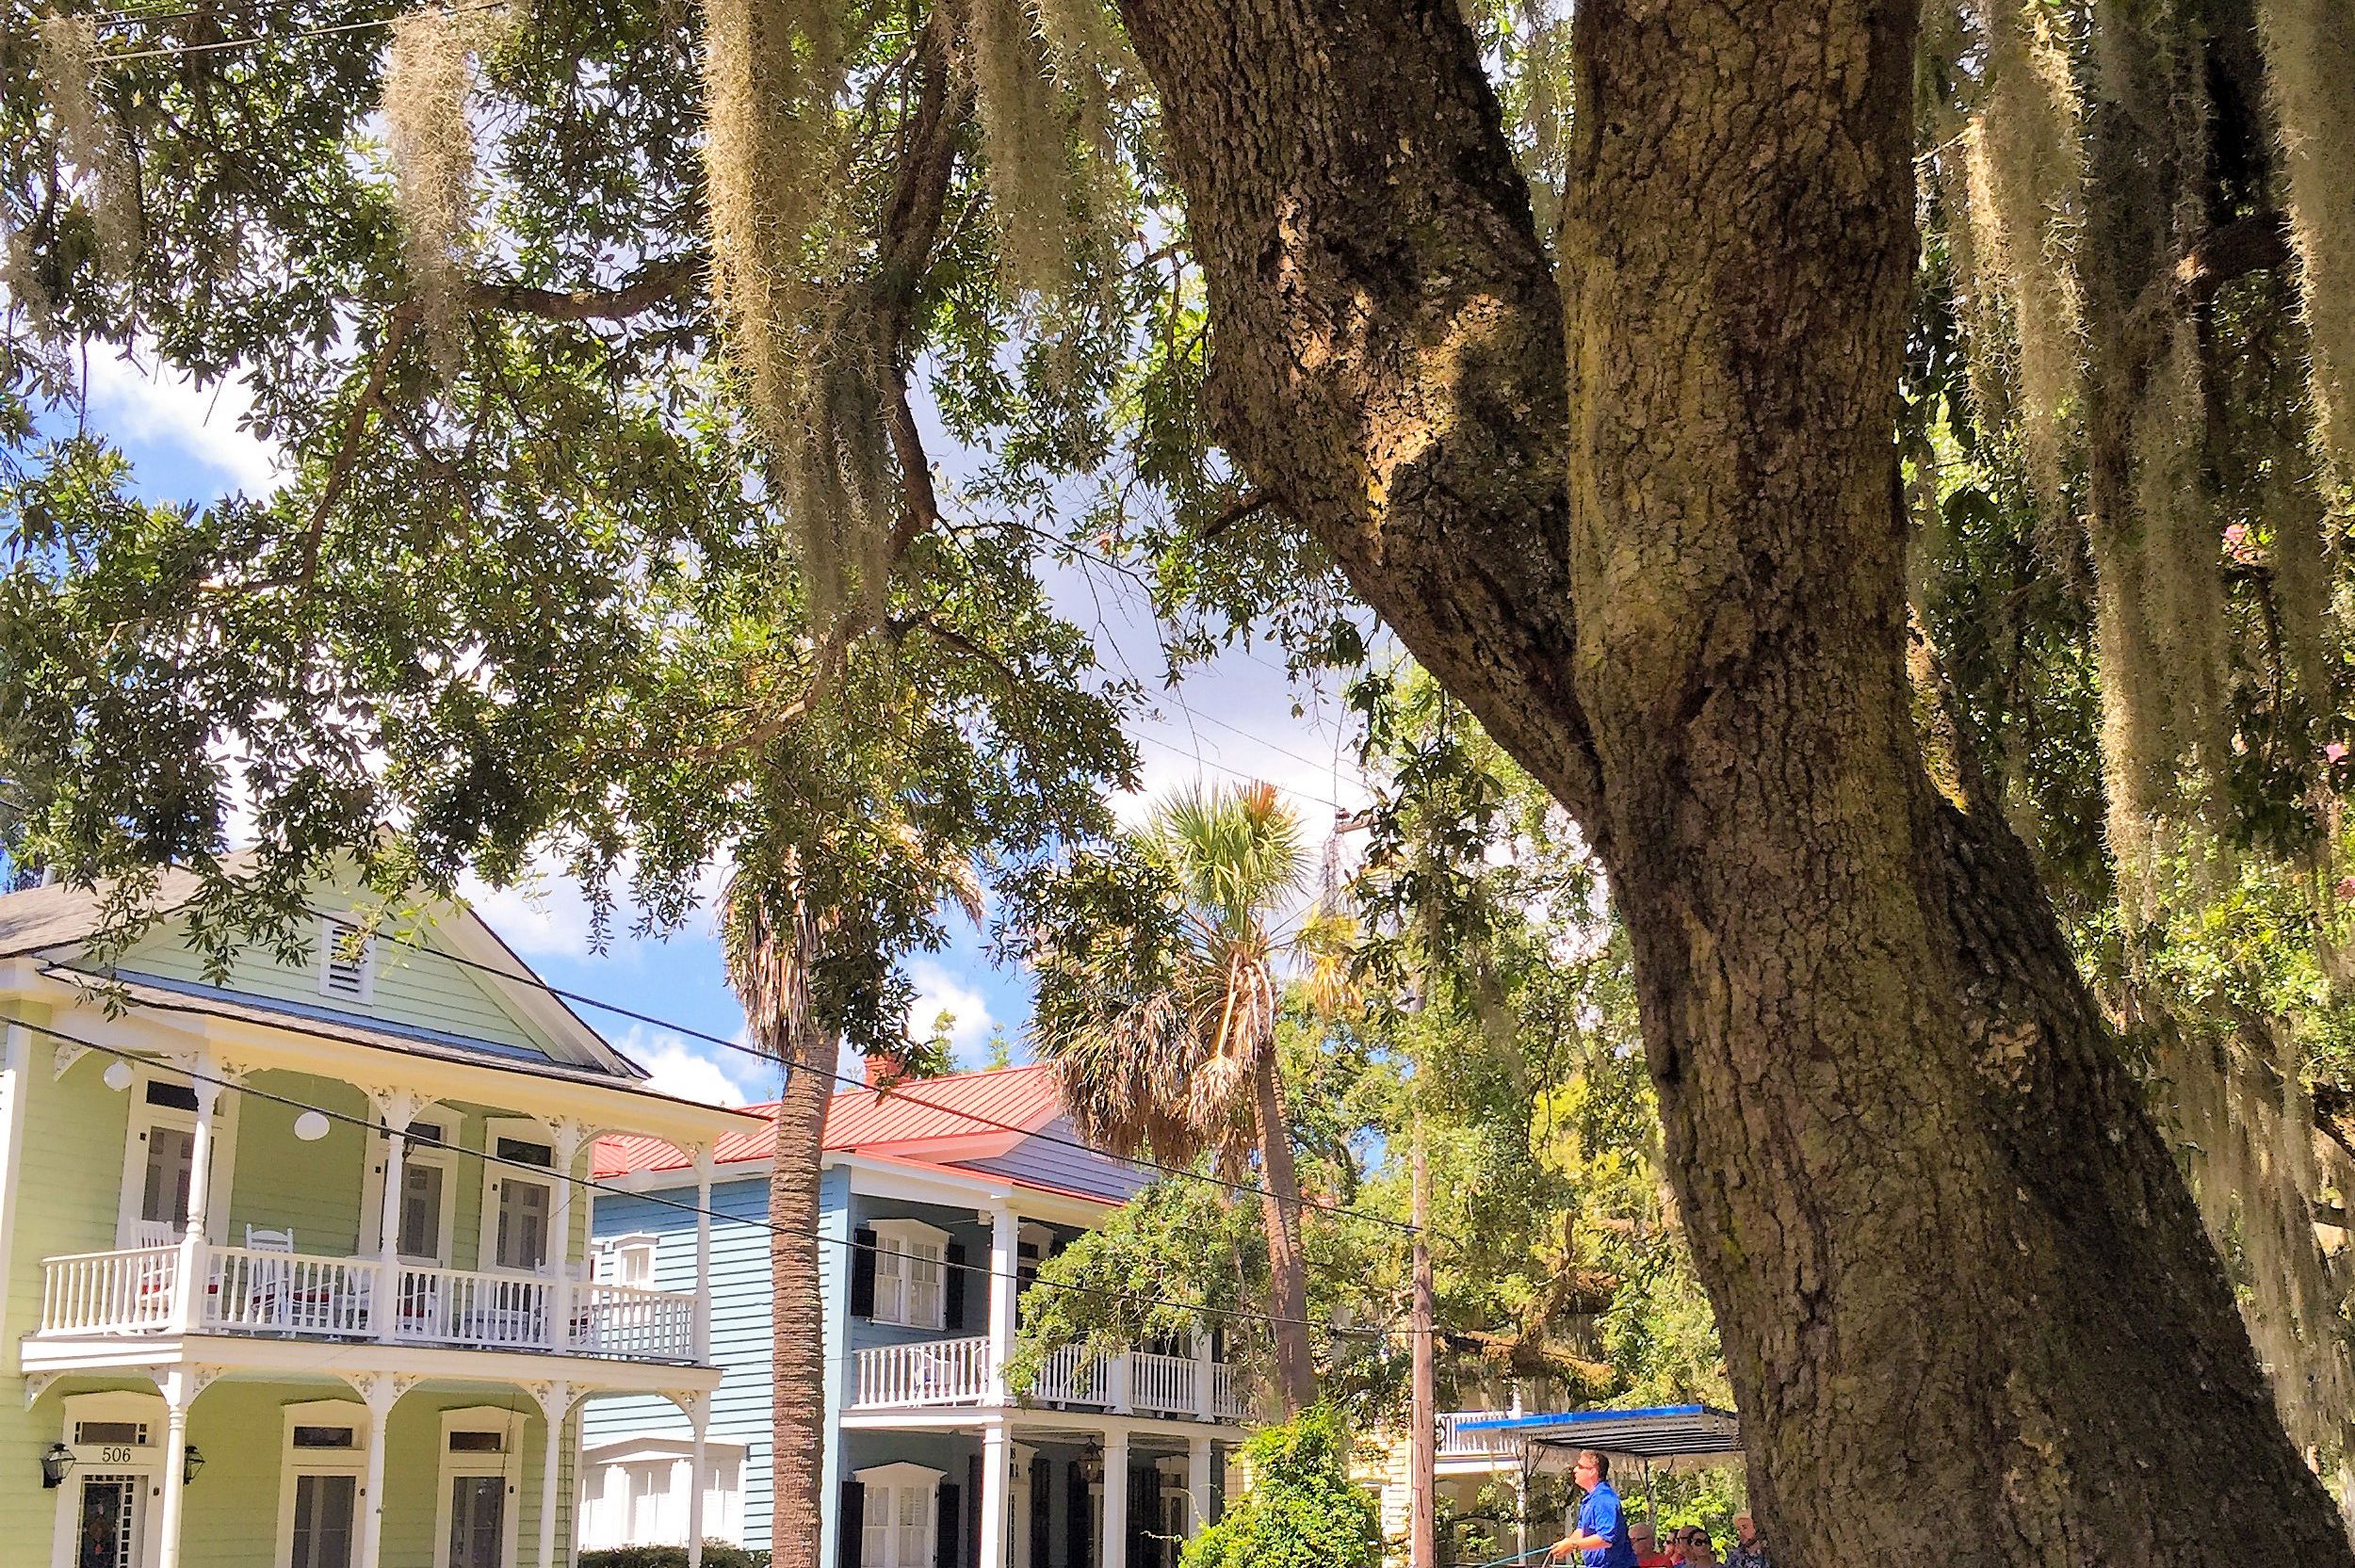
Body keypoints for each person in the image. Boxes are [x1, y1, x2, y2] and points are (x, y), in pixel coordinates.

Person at [1548, 1450, 1640, 1567]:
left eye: (1580, 1466)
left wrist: (1573, 1545)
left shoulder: (1604, 1499)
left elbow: (1605, 1539)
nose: (1575, 1469)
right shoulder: (1590, 1499)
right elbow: (1581, 1530)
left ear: (1592, 1471)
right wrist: (1565, 1546)